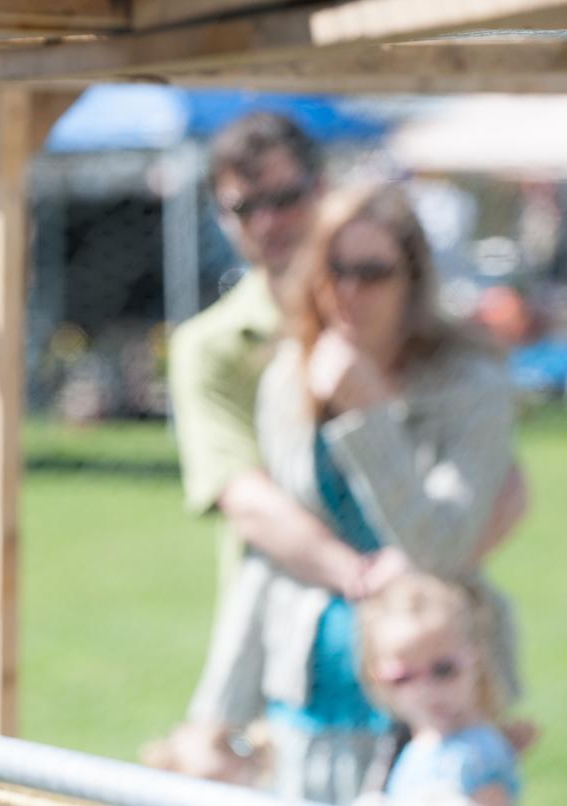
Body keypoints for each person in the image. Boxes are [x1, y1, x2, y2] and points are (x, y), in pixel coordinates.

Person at [183, 183, 526, 804]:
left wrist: (368, 413)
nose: (350, 291)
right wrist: (217, 712)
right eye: (334, 269)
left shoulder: (469, 381)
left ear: (414, 279)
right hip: (308, 692)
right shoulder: (291, 376)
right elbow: (270, 556)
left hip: (432, 696)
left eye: (374, 272)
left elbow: (443, 541)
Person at [357, 572, 519, 805]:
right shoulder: (416, 743)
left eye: (444, 670)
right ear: (378, 677)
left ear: (474, 656)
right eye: (403, 677)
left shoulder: (478, 754)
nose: (427, 689)